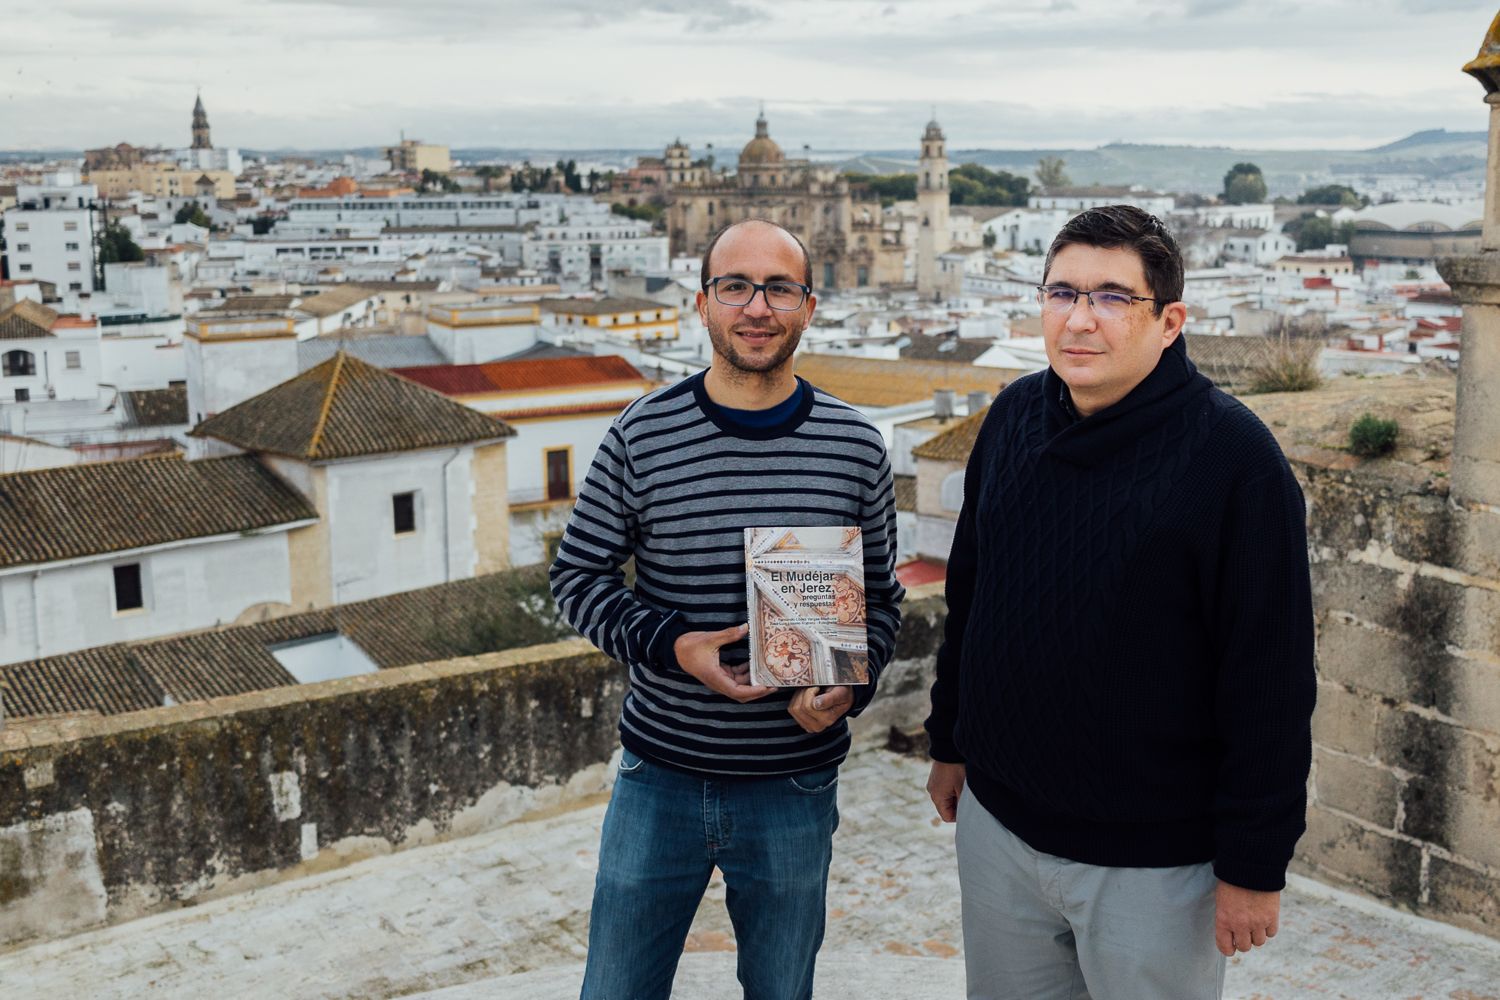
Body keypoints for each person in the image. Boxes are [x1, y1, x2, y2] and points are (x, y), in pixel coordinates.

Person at [924, 204, 1315, 998]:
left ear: (1169, 321)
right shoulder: (1013, 416)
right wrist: (950, 738)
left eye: (1111, 297)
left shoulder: (1234, 459)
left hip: (1152, 860)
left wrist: (1253, 864)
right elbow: (972, 591)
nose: (1079, 319)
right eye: (1062, 293)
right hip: (1000, 830)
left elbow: (1268, 680)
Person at [551, 218, 904, 1000]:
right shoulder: (642, 434)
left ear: (809, 307)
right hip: (659, 778)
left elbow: (881, 602)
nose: (757, 307)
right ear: (703, 303)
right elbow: (577, 577)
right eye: (736, 286)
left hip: (794, 786)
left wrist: (853, 685)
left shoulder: (855, 446)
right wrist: (674, 645)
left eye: (779, 288)